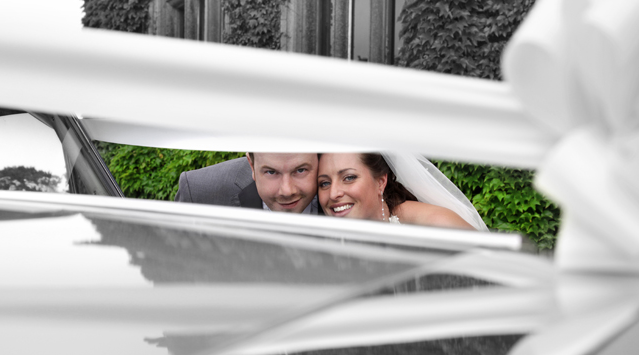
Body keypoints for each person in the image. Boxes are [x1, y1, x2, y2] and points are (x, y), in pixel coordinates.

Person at [317, 153, 489, 231]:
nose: (333, 194)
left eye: (348, 178)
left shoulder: (436, 224)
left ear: (380, 182)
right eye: (324, 183)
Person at [175, 152, 322, 214]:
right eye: (271, 172)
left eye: (301, 170)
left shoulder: (341, 193)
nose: (287, 191)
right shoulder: (198, 193)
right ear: (251, 164)